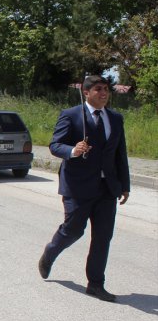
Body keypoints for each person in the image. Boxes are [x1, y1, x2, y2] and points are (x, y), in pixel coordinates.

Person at [38, 75, 130, 302]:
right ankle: (50, 252)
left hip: (107, 187)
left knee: (102, 237)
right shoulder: (71, 115)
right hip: (78, 185)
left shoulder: (115, 118)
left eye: (106, 89)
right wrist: (73, 149)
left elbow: (120, 154)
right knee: (73, 230)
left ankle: (96, 284)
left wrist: (124, 185)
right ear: (86, 93)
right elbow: (55, 145)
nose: (103, 93)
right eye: (98, 89)